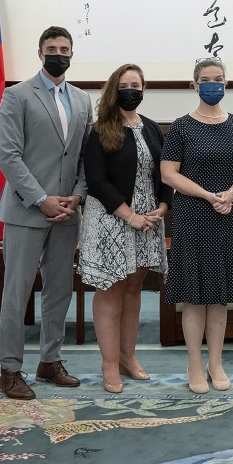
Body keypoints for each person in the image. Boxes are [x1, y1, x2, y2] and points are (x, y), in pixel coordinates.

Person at [0, 25, 93, 400]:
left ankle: (50, 361)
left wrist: (77, 196)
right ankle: (10, 369)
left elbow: (86, 156)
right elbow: (7, 155)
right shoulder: (16, 96)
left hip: (67, 213)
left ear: (72, 54)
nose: (58, 53)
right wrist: (41, 199)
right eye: (51, 48)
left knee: (59, 291)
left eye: (64, 48)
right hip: (26, 211)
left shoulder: (82, 100)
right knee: (17, 293)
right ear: (40, 53)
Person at [161, 57, 233, 394]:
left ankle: (216, 362)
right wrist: (207, 195)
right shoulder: (181, 126)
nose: (213, 83)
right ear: (194, 84)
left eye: (218, 78)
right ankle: (194, 364)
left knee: (219, 295)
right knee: (193, 294)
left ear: (226, 82)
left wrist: (230, 193)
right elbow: (168, 173)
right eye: (205, 79)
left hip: (228, 213)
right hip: (193, 213)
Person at [79, 64, 170, 394]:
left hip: (148, 221)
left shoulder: (152, 128)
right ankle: (108, 364)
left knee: (134, 288)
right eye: (125, 84)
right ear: (114, 90)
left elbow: (165, 172)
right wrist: (129, 215)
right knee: (111, 289)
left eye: (137, 84)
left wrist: (162, 205)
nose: (132, 89)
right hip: (110, 220)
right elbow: (97, 181)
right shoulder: (100, 129)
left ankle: (128, 357)